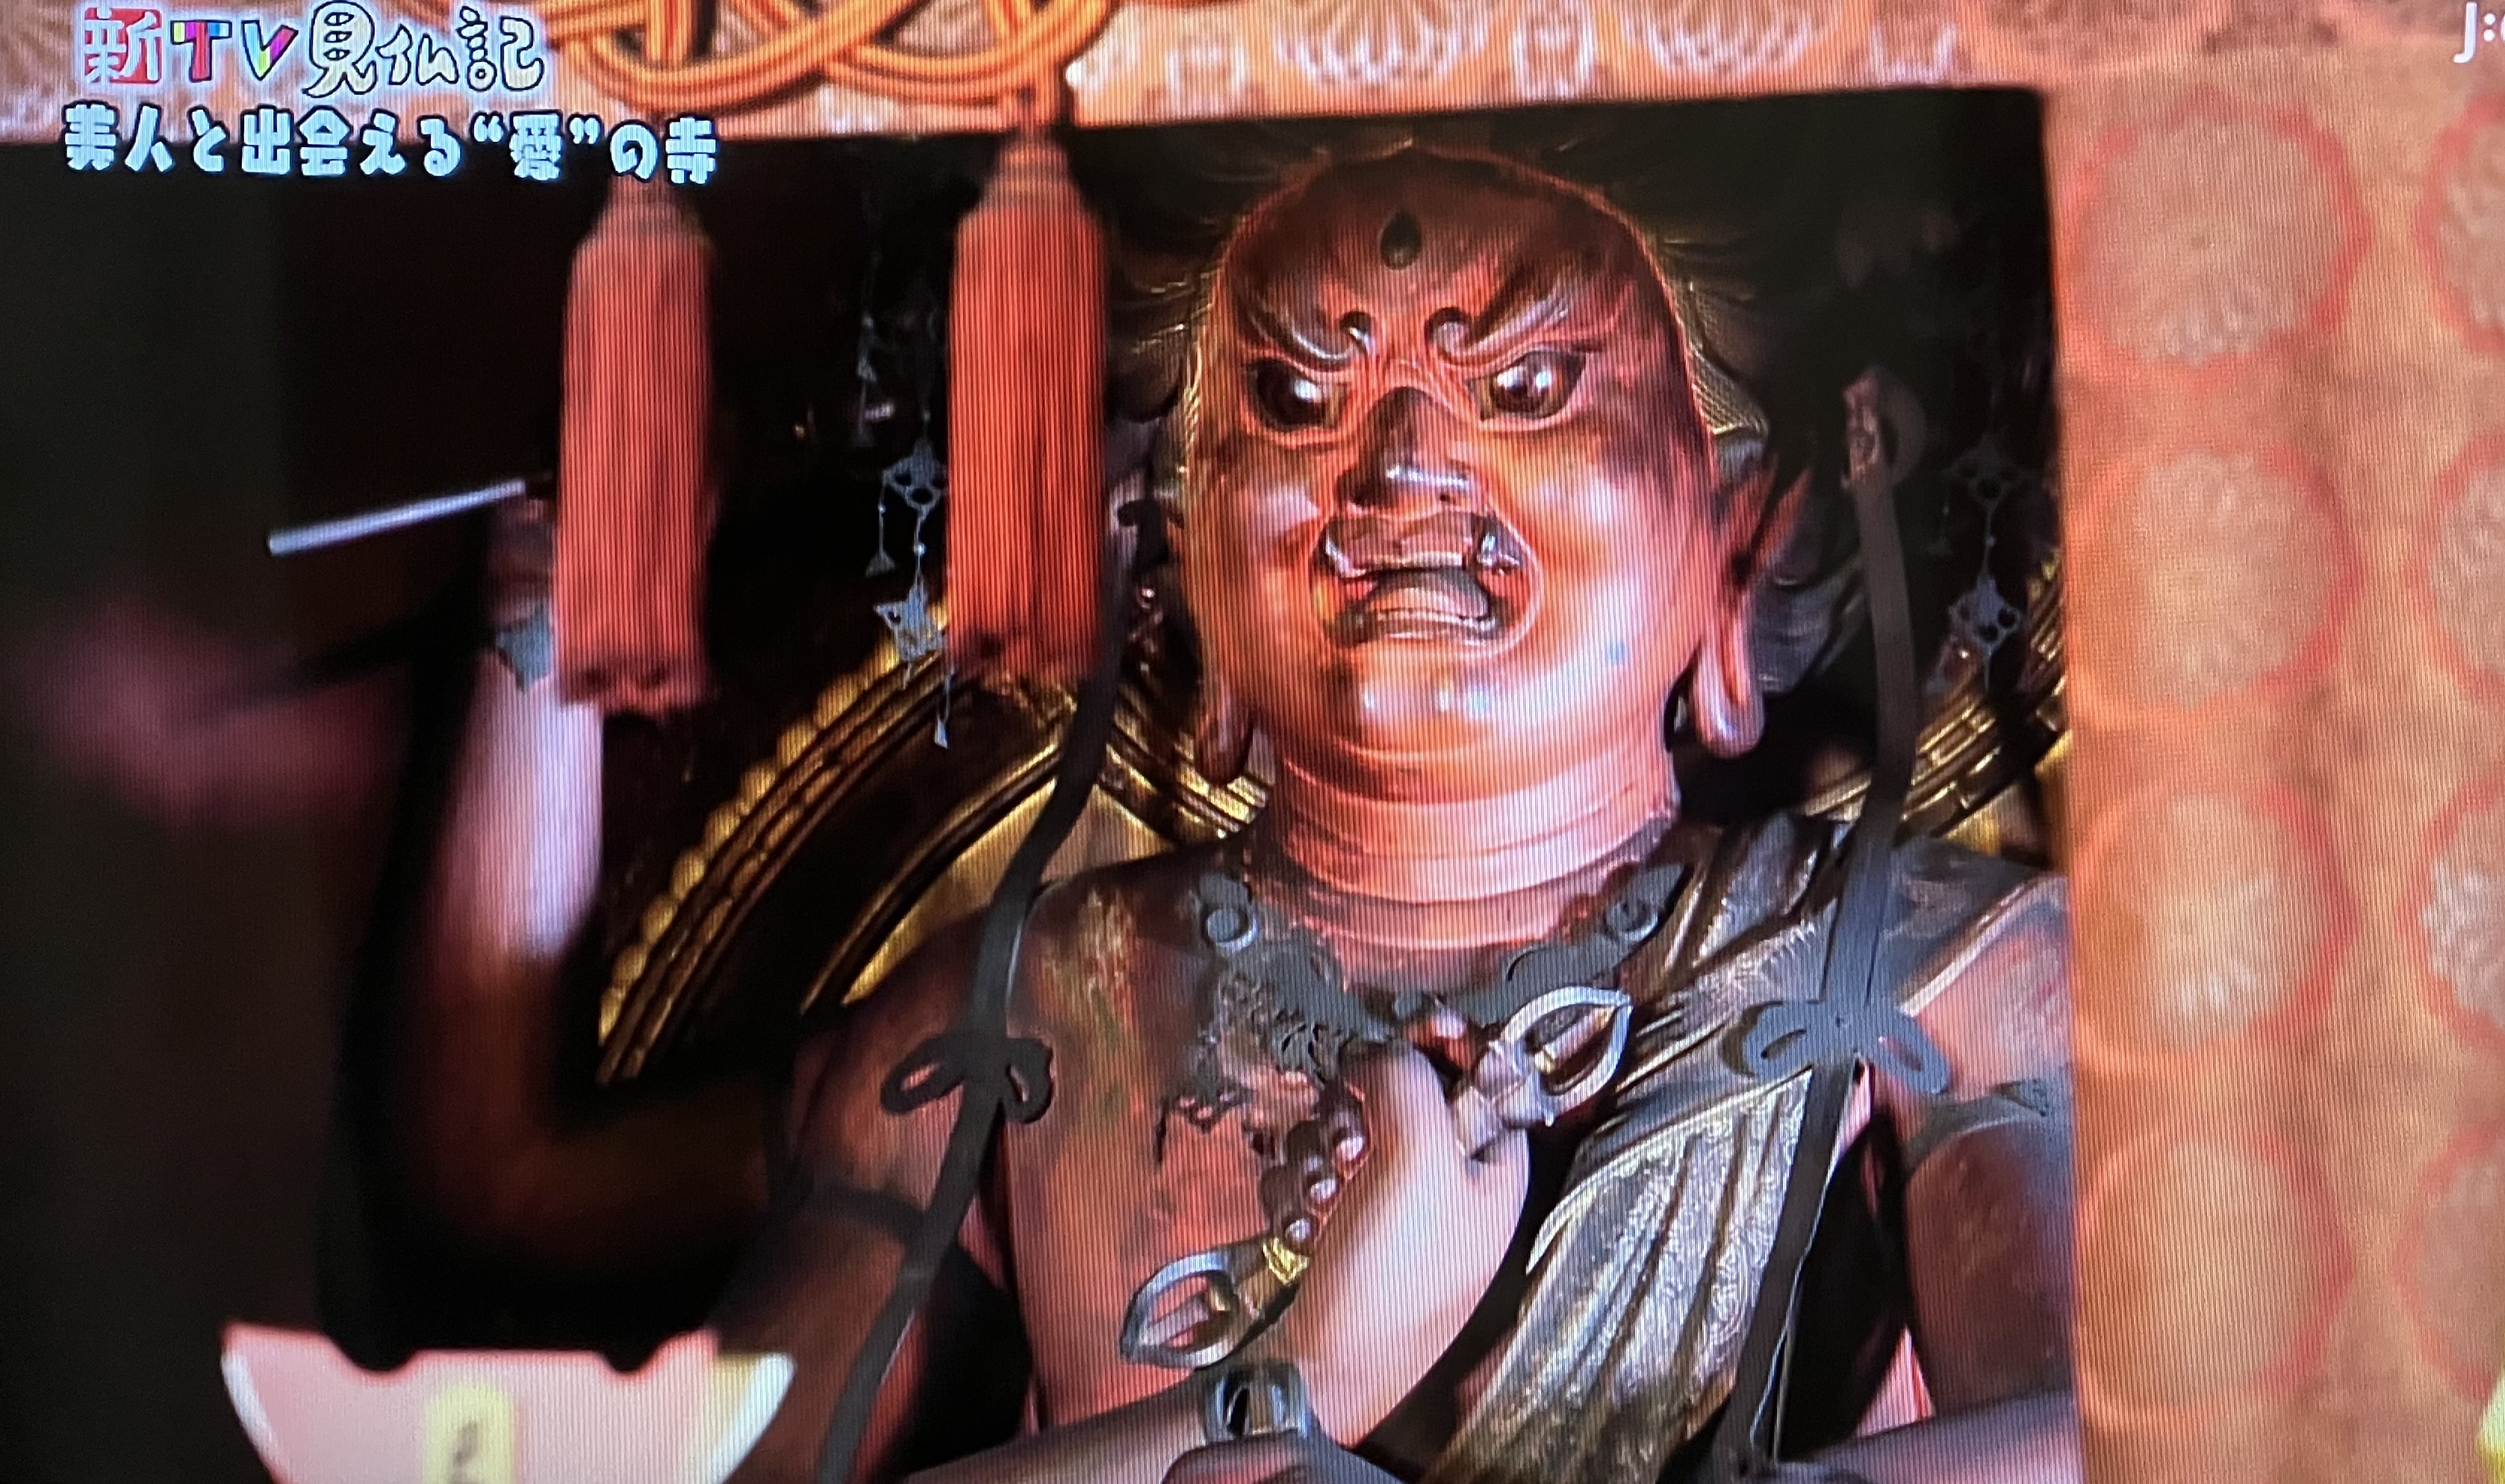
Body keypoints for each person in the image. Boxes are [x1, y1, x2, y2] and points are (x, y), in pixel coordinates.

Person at [403, 140, 2075, 1484]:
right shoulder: (1028, 1012)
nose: (1401, 462)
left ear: (1742, 532)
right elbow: (537, 1217)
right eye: (1290, 399)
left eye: (1530, 386)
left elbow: (2137, 1441)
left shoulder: (1933, 975)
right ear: (1180, 543)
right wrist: (1286, 1390)